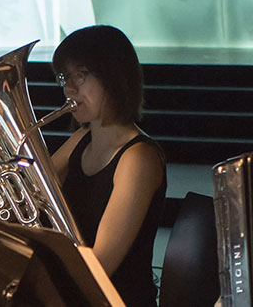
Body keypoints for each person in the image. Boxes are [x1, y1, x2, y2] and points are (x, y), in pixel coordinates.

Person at [46, 25, 166, 306]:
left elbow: (100, 267)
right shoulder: (81, 139)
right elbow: (28, 192)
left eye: (80, 75)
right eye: (65, 77)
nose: (68, 88)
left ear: (113, 76)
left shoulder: (138, 158)